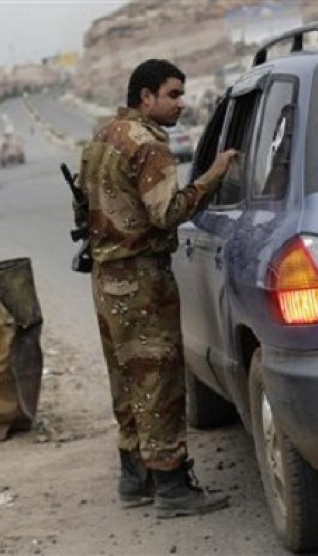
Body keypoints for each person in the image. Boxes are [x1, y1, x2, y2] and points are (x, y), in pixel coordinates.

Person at [76, 58, 237, 519]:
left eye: (182, 94)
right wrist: (214, 175)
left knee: (127, 379)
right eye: (172, 94)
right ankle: (171, 485)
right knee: (159, 378)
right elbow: (167, 213)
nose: (180, 104)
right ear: (145, 97)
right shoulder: (148, 146)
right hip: (143, 277)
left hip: (107, 278)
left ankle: (135, 477)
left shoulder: (103, 138)